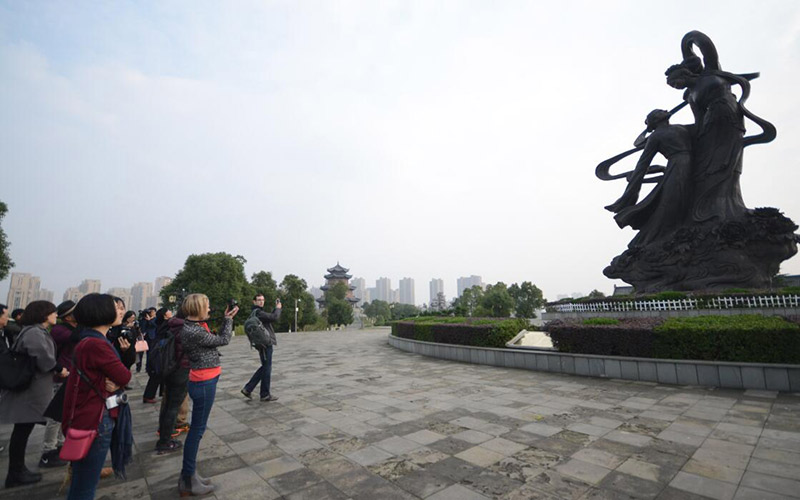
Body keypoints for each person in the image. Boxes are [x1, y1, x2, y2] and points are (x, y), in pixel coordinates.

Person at [62, 293, 132, 500]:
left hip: (90, 413)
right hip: (96, 418)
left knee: (82, 481)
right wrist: (112, 382)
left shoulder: (89, 340)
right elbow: (124, 376)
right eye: (116, 307)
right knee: (85, 486)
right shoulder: (96, 344)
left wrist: (111, 381)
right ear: (101, 312)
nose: (120, 311)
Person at [0, 300, 65, 488]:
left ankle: (18, 470)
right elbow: (42, 357)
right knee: (22, 431)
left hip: (31, 389)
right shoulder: (34, 333)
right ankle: (15, 473)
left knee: (23, 430)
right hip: (28, 391)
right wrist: (58, 368)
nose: (56, 315)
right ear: (43, 314)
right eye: (53, 312)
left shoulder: (35, 331)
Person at [605, 109, 693, 247]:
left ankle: (658, 238)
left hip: (682, 165)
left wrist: (635, 180)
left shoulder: (661, 134)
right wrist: (643, 174)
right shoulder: (676, 130)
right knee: (673, 201)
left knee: (673, 201)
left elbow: (643, 164)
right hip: (689, 164)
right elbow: (643, 163)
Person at [178, 294, 238, 496]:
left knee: (198, 428)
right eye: (207, 306)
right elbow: (223, 340)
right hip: (203, 382)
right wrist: (228, 320)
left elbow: (214, 340)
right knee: (197, 430)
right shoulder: (193, 331)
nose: (209, 309)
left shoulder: (194, 326)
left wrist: (225, 318)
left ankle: (189, 475)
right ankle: (188, 478)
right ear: (198, 309)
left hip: (204, 379)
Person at [38, 300, 83, 469]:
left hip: (71, 375)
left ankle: (60, 445)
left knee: (66, 414)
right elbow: (76, 337)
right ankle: (47, 452)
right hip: (62, 376)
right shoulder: (60, 330)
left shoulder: (70, 328)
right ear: (68, 317)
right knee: (56, 417)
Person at [155, 309, 189, 454]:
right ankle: (165, 441)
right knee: (173, 407)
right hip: (180, 370)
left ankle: (163, 435)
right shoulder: (185, 329)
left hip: (169, 368)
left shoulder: (171, 325)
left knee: (168, 404)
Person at [242, 294, 281, 402]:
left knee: (265, 367)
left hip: (261, 343)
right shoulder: (259, 313)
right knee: (266, 368)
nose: (261, 302)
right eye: (259, 300)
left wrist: (275, 309)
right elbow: (274, 317)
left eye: (263, 300)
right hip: (265, 343)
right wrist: (278, 308)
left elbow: (270, 317)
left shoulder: (255, 313)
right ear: (254, 301)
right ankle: (264, 394)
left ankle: (248, 389)